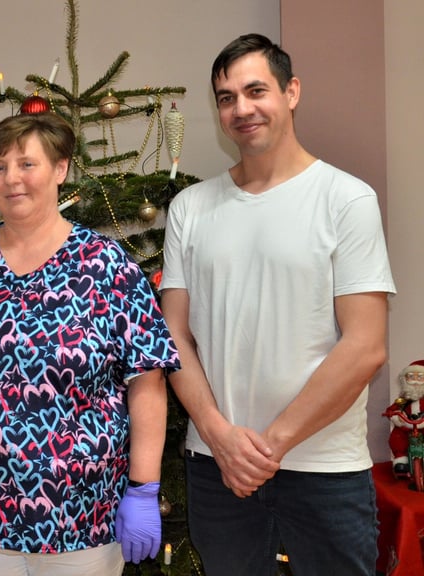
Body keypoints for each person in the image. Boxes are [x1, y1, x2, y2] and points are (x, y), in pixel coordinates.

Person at [0, 112, 179, 576]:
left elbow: (147, 380)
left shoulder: (106, 266)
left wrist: (143, 488)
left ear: (60, 169)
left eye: (26, 164)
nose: (11, 179)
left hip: (78, 513)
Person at [160, 33, 396, 576]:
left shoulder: (346, 199)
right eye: (226, 98)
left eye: (255, 91)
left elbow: (365, 346)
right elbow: (173, 335)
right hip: (217, 466)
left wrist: (269, 447)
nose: (241, 109)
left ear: (291, 92)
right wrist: (220, 437)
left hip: (325, 468)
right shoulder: (191, 208)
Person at [384, 361, 424, 479]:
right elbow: (392, 409)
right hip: (406, 426)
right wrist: (395, 415)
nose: (415, 381)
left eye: (420, 377)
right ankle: (401, 460)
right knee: (397, 437)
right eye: (411, 377)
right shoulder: (403, 399)